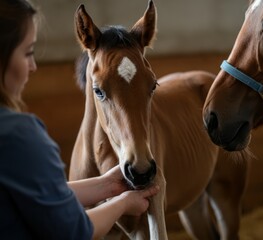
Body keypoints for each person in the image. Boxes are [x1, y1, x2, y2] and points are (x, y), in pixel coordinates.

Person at [0, 0, 160, 239]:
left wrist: (106, 185)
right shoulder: (19, 136)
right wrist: (124, 203)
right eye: (28, 52)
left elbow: (41, 195)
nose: (33, 66)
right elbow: (72, 230)